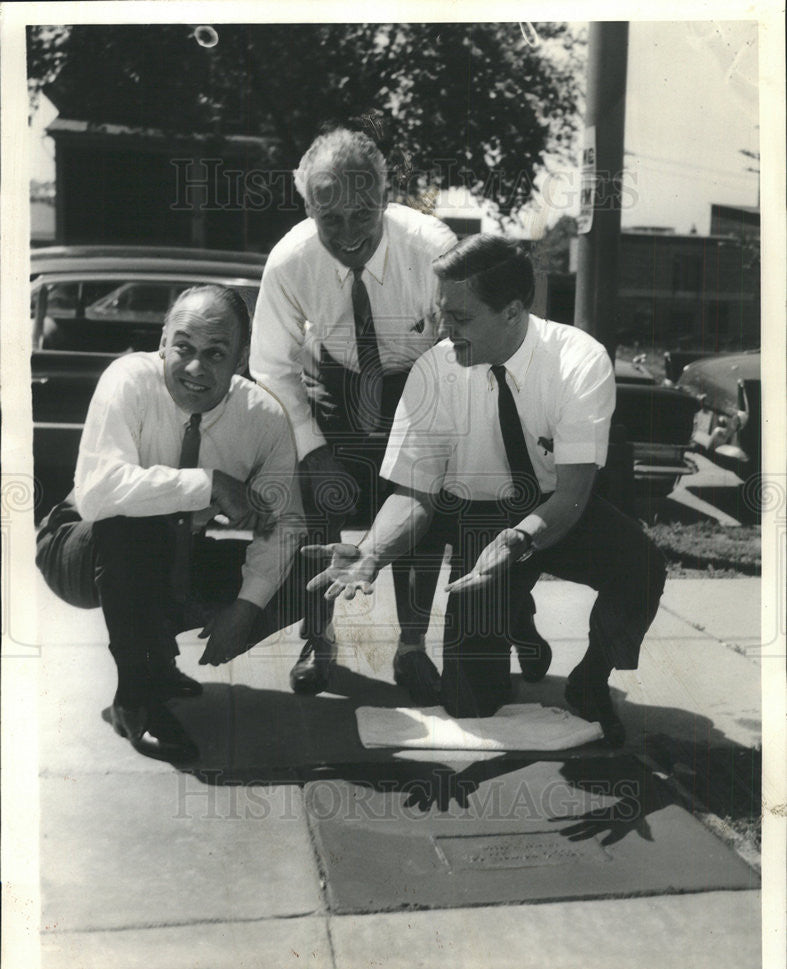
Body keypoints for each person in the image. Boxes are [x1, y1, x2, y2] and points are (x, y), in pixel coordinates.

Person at [305, 235, 667, 747]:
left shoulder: (580, 360)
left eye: (460, 317)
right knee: (471, 704)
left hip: (557, 506)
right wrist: (371, 552)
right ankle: (515, 613)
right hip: (480, 517)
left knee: (643, 566)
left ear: (514, 312)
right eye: (440, 313)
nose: (442, 329)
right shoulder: (434, 370)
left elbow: (571, 495)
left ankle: (590, 682)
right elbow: (414, 493)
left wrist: (520, 541)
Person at [35, 285, 306, 761]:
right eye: (183, 347)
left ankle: (154, 659)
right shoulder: (128, 379)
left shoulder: (264, 418)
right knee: (133, 525)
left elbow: (286, 524)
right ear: (162, 342)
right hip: (77, 543)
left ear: (241, 360)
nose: (195, 367)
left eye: (216, 353)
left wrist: (246, 608)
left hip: (172, 552)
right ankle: (136, 698)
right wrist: (208, 484)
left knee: (311, 568)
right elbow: (98, 495)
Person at [250, 126, 459, 703]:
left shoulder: (433, 249)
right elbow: (270, 365)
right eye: (329, 218)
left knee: (420, 506)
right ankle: (319, 640)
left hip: (416, 379)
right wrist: (312, 450)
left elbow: (455, 354)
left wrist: (426, 442)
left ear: (386, 195)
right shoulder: (289, 261)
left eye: (362, 213)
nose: (347, 234)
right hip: (333, 382)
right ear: (308, 207)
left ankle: (411, 647)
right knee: (318, 505)